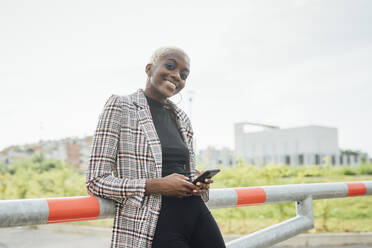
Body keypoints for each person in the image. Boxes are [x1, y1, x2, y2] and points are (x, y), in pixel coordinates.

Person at [86, 47, 225, 248]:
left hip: (196, 215)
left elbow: (181, 170)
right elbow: (96, 181)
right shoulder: (120, 106)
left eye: (184, 75)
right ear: (150, 68)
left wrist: (197, 182)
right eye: (170, 66)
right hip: (152, 224)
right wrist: (155, 185)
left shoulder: (182, 119)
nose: (176, 76)